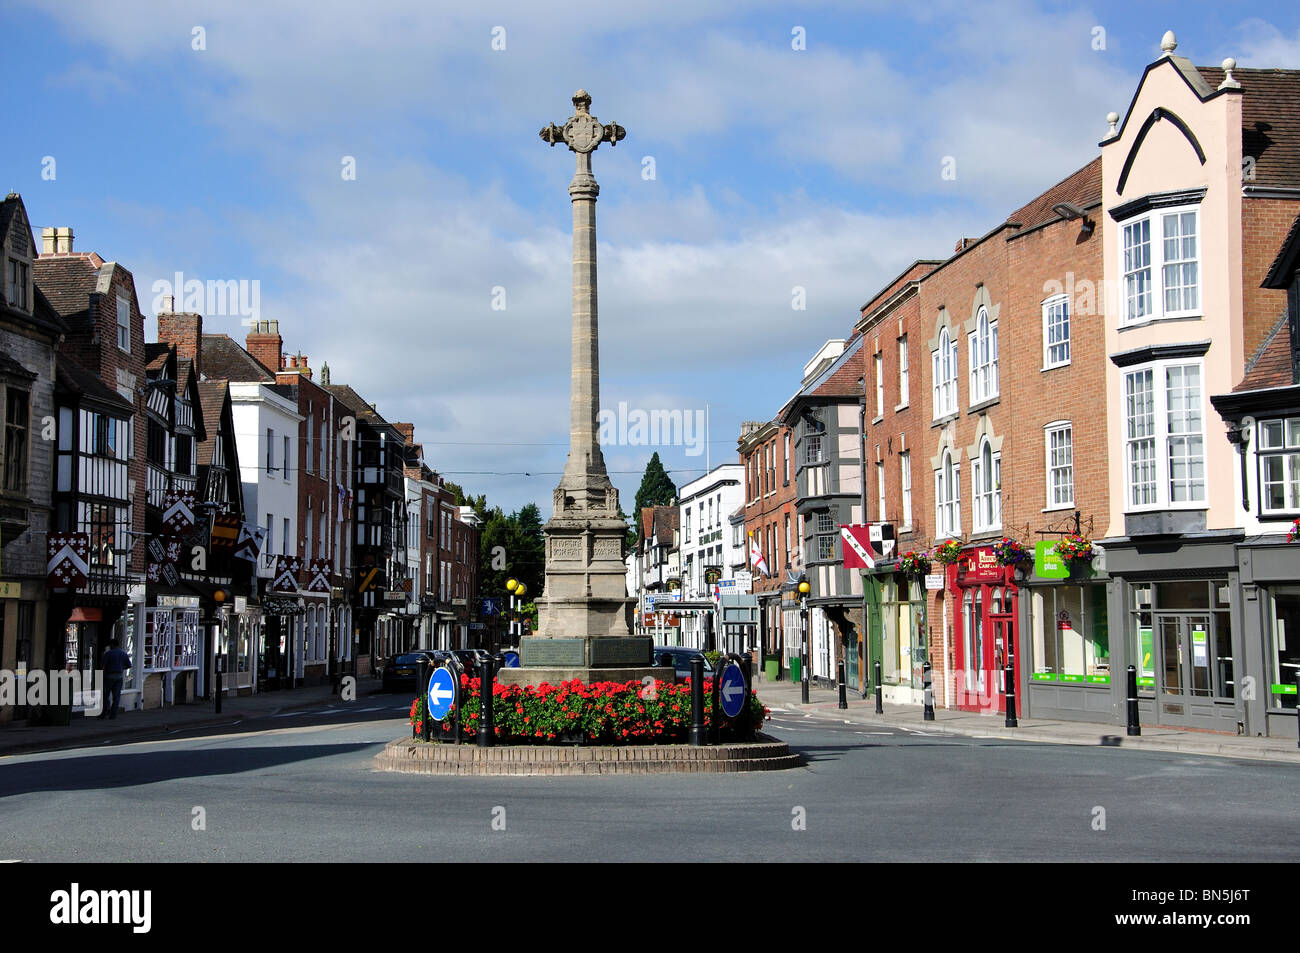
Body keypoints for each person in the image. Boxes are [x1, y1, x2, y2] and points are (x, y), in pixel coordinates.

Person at [101, 638, 132, 719]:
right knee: (116, 697)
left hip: (109, 676)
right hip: (119, 676)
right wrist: (121, 667)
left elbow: (103, 665)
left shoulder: (108, 654)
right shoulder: (123, 653)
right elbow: (129, 665)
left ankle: (104, 712)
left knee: (105, 695)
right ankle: (113, 715)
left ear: (112, 645)